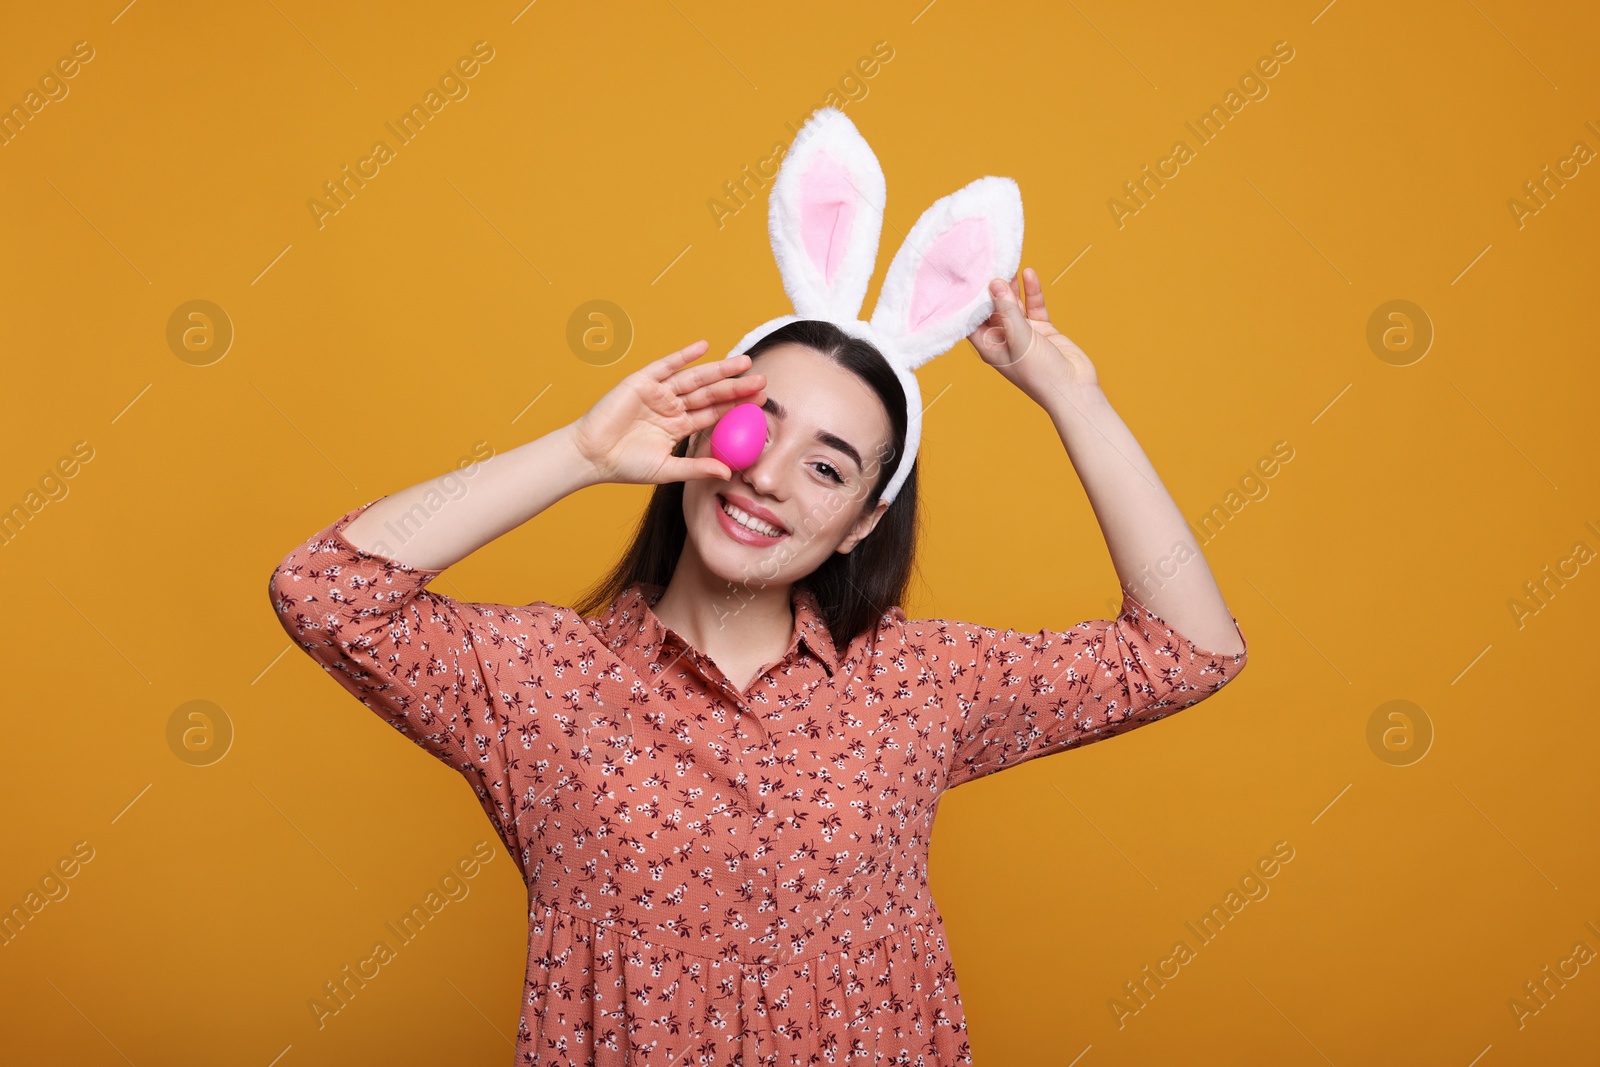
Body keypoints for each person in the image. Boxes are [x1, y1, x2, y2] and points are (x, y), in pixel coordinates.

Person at [267, 268, 1248, 1064]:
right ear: (698, 431)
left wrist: (1074, 398)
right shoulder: (543, 679)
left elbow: (1188, 650)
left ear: (864, 520)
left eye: (827, 466)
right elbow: (324, 588)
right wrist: (579, 452)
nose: (769, 475)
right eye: (757, 422)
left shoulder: (910, 680)